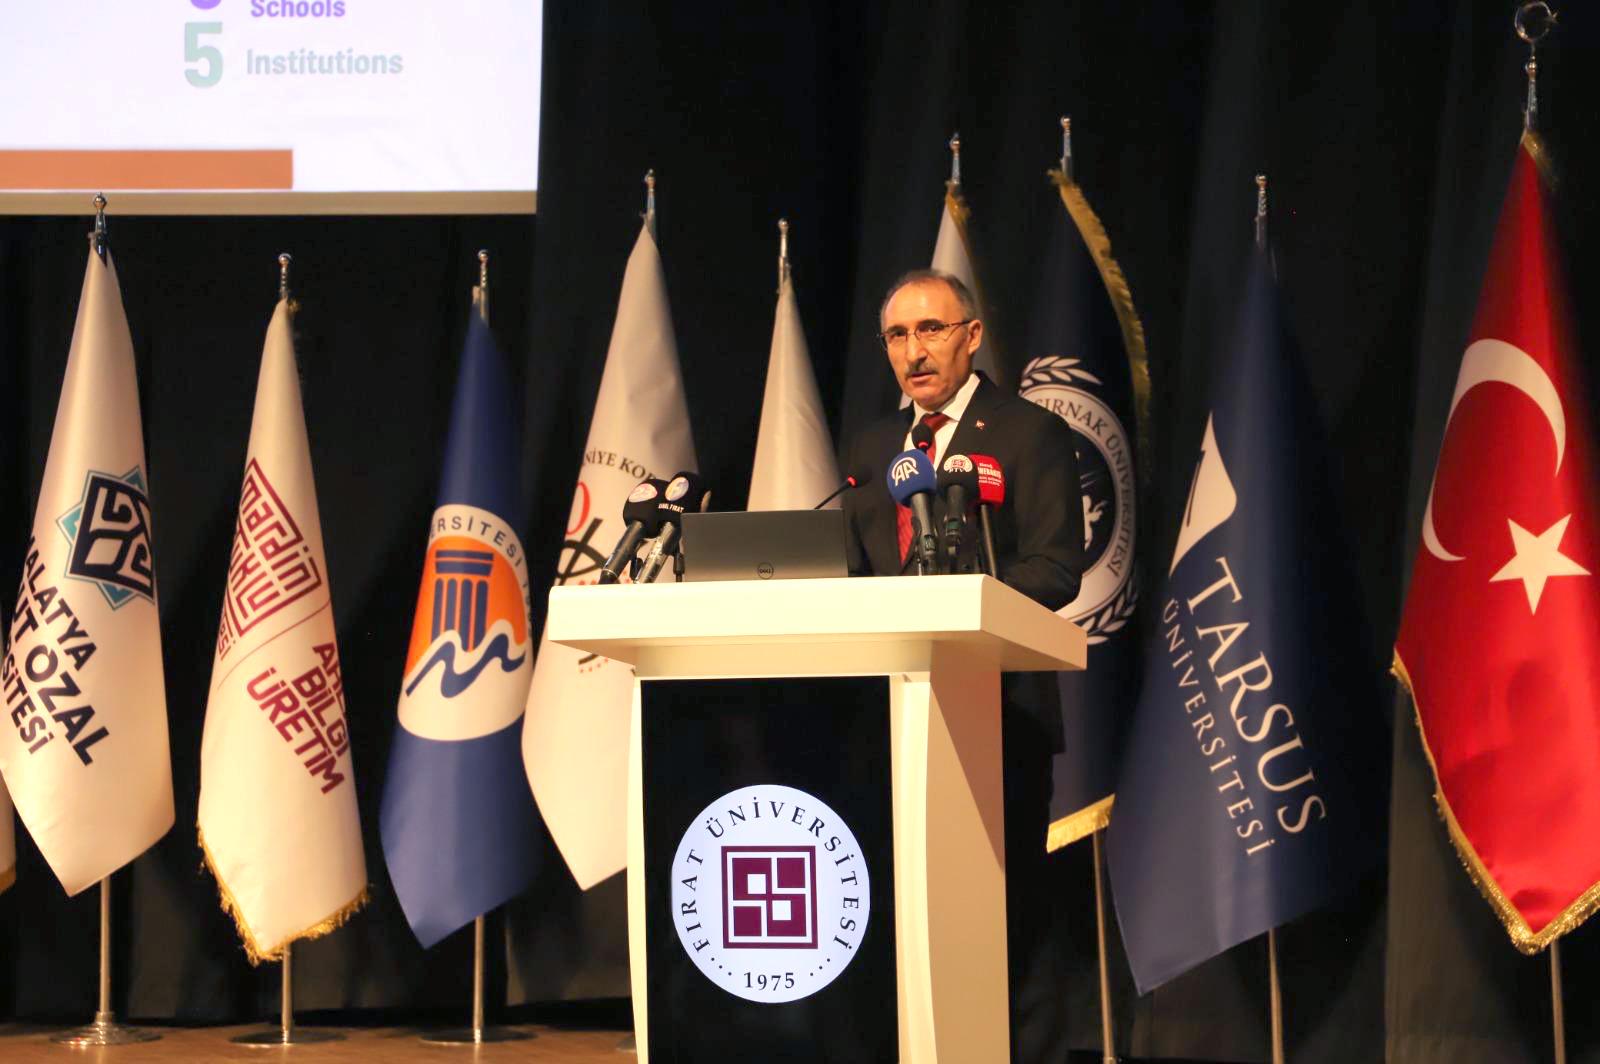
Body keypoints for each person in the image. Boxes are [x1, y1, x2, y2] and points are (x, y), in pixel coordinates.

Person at [840, 268, 1084, 1063]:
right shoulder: (872, 450)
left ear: (972, 336)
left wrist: (960, 598)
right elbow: (852, 574)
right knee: (904, 903)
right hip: (892, 711)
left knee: (1012, 908)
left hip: (1001, 708)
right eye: (898, 335)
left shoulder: (1027, 433)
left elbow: (1057, 567)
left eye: (931, 330)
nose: (914, 351)